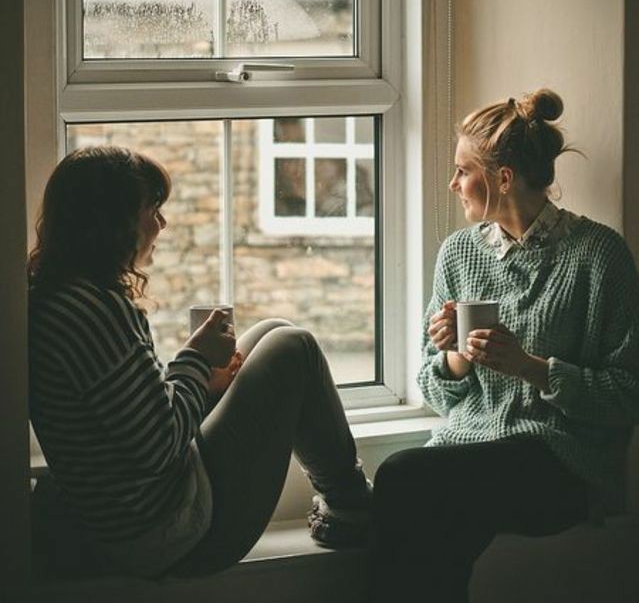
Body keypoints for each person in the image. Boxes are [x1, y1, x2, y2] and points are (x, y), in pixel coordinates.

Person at [28, 146, 371, 580]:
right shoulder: (94, 312)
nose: (162, 224)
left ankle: (349, 502)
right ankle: (352, 507)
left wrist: (202, 381)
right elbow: (158, 445)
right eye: (152, 209)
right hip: (170, 533)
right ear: (113, 223)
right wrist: (195, 358)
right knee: (294, 346)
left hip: (135, 519)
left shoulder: (60, 297)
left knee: (271, 330)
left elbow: (130, 419)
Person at [369, 88, 639, 602]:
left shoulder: (600, 256)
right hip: (472, 451)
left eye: (462, 171)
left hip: (562, 464)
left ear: (503, 178)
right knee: (432, 522)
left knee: (405, 480)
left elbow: (629, 393)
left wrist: (531, 368)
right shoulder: (459, 253)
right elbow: (437, 390)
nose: (453, 184)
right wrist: (456, 357)